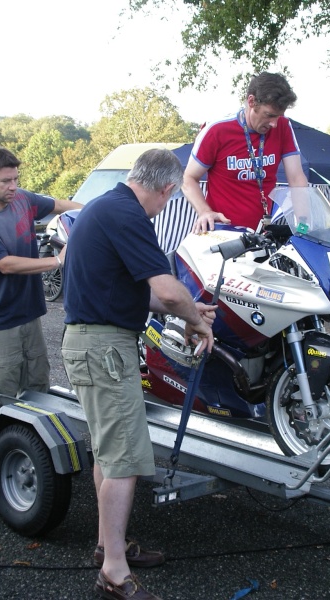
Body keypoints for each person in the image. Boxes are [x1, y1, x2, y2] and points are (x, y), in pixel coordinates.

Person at [61, 149, 215, 600]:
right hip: (104, 348)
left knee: (109, 455)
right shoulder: (128, 215)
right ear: (167, 189)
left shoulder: (105, 207)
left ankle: (107, 546)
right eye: (170, 199)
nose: (166, 206)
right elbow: (168, 293)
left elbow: (123, 291)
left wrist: (188, 310)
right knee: (125, 458)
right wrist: (197, 319)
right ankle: (113, 572)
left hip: (91, 342)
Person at [0, 146, 81, 405]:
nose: (13, 186)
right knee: (3, 393)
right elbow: (5, 264)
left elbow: (59, 205)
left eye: (16, 179)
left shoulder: (22, 199)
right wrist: (57, 261)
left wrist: (94, 214)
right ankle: (7, 444)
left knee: (38, 384)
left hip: (29, 313)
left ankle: (31, 443)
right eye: (6, 181)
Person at [182, 71, 309, 233]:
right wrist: (204, 211)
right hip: (222, 233)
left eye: (279, 116)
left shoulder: (283, 126)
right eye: (269, 115)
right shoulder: (217, 130)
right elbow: (188, 178)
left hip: (261, 234)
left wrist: (304, 226)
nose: (274, 124)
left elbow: (297, 178)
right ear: (251, 101)